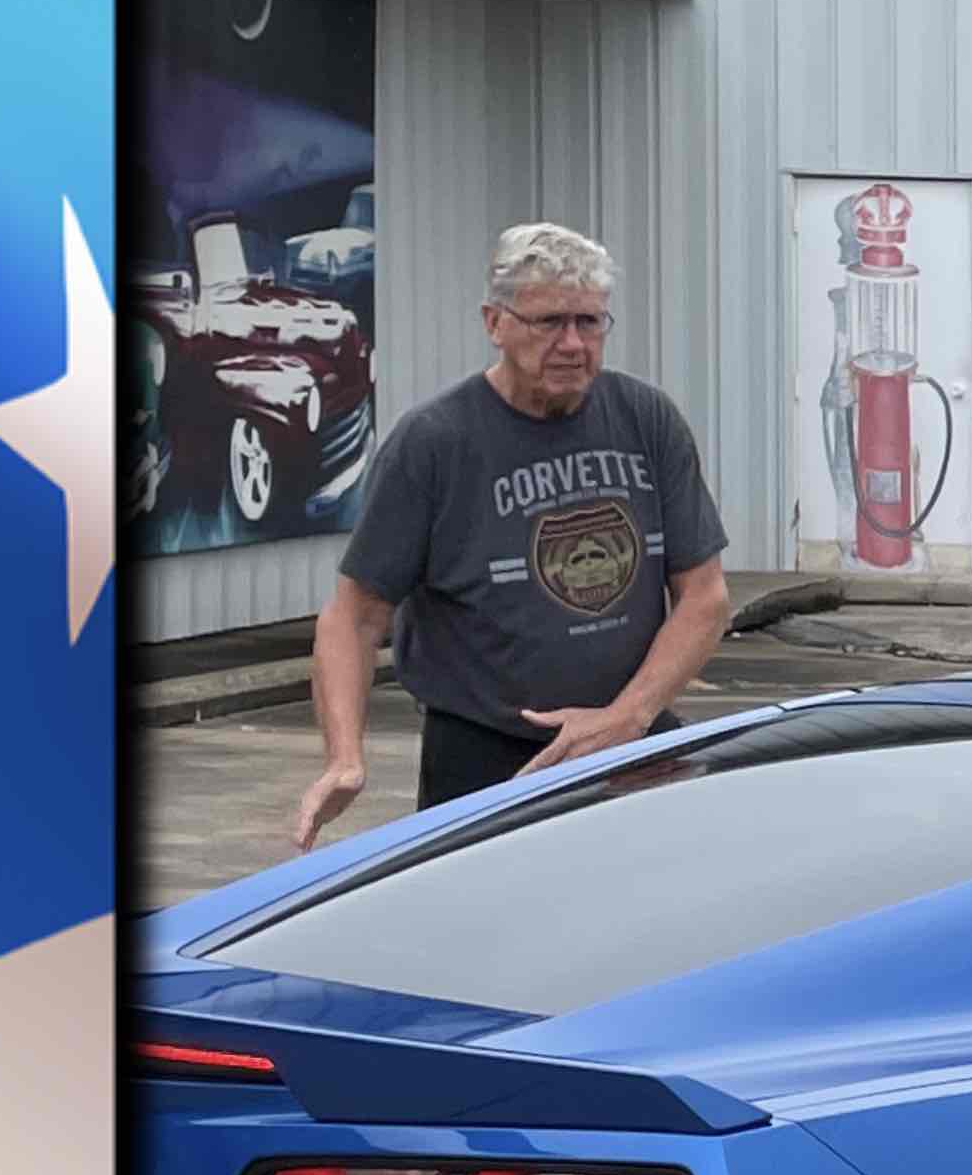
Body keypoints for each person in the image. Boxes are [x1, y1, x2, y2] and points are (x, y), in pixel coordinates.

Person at [297, 222, 734, 847]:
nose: (572, 343)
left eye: (589, 321)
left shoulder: (646, 419)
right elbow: (353, 618)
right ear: (494, 323)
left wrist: (628, 717)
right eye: (548, 321)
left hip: (630, 739)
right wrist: (344, 758)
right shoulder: (435, 442)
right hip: (486, 759)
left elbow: (705, 596)